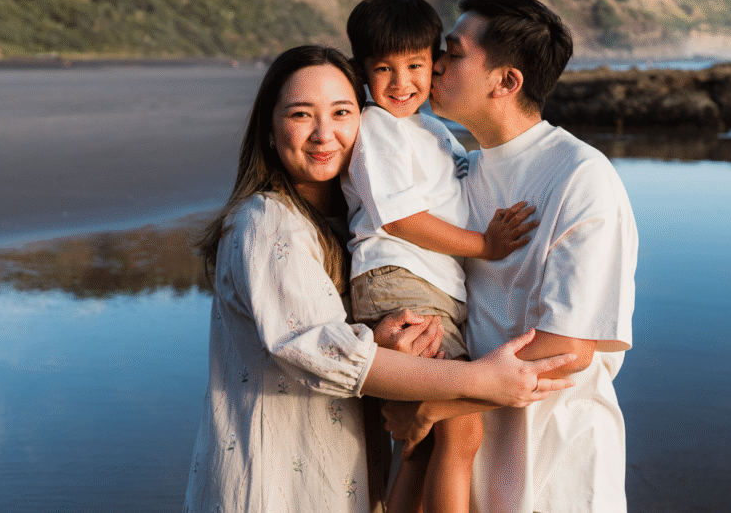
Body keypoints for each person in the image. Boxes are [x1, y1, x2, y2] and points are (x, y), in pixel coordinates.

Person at [182, 45, 577, 513]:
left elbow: (344, 342)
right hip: (274, 490)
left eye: (342, 112)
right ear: (270, 130)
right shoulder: (267, 222)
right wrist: (480, 380)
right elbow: (317, 350)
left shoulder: (344, 229)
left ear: (363, 122)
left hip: (340, 482)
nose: (323, 133)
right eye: (301, 115)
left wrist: (381, 341)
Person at [385, 0, 639, 513]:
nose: (433, 65)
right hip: (464, 464)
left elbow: (568, 348)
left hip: (557, 469)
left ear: (505, 82)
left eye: (452, 54)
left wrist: (431, 402)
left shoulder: (579, 176)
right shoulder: (462, 172)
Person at [342, 0, 537, 513]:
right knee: (462, 430)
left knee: (423, 446)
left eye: (416, 66)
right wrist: (484, 245)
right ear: (362, 71)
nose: (401, 83)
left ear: (436, 65)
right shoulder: (379, 126)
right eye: (383, 69)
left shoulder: (432, 130)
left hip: (429, 288)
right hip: (401, 282)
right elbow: (400, 218)